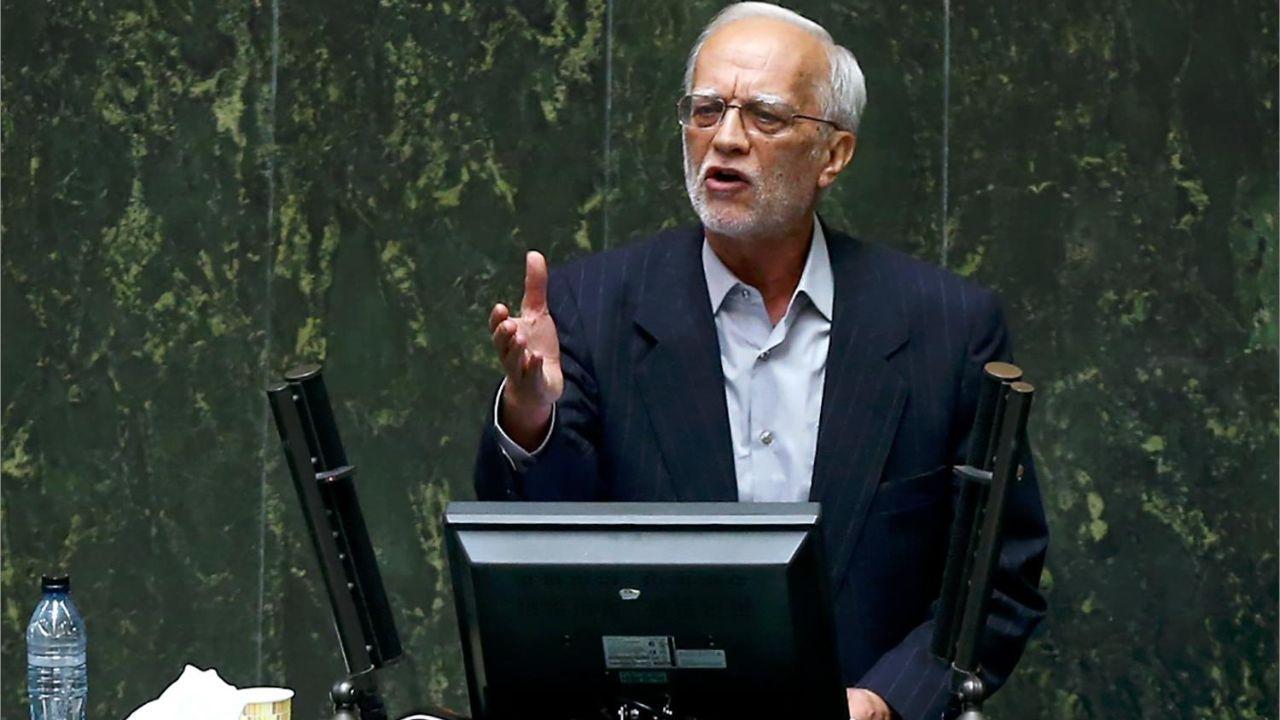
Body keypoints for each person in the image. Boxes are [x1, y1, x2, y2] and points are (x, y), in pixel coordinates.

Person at [473, 3, 1048, 719]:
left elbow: (996, 578)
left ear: (833, 154)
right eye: (706, 110)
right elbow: (539, 566)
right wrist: (531, 417)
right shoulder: (590, 308)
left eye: (765, 116)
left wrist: (885, 701)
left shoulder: (949, 328)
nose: (726, 139)